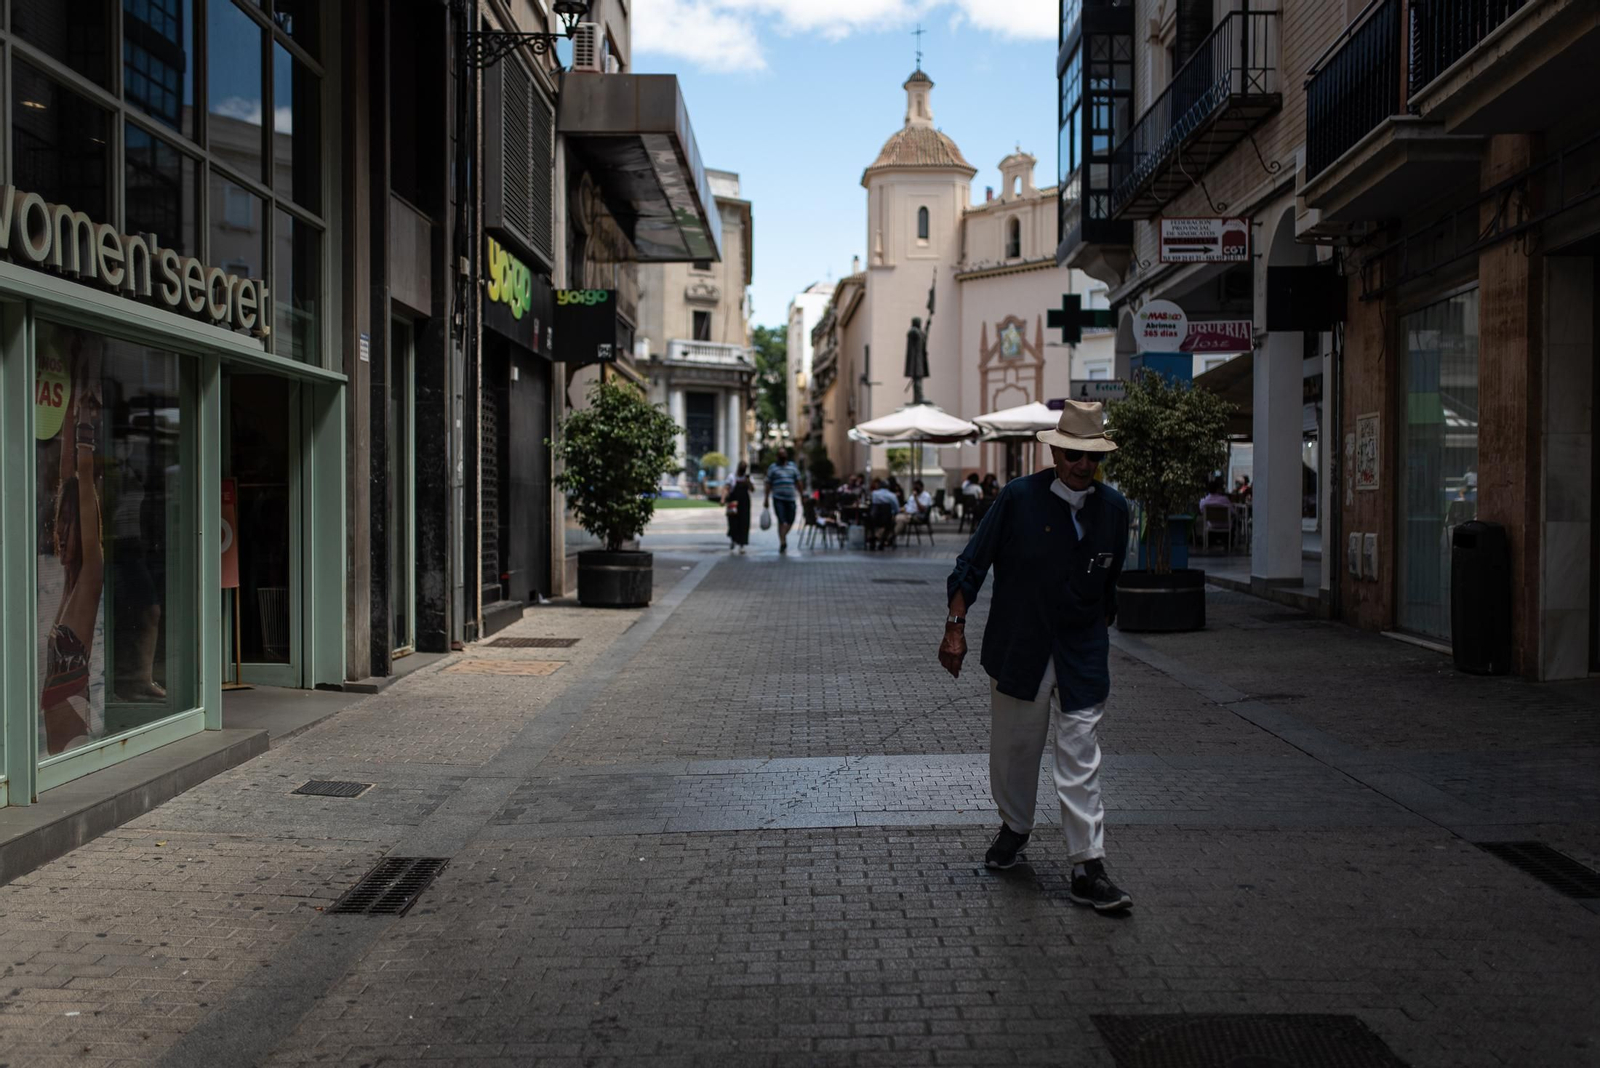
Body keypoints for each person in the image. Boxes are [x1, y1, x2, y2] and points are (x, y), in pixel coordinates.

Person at [939, 399, 1133, 913]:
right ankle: (1015, 827)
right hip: (1020, 644)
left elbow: (1110, 584)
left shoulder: (1115, 511)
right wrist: (955, 628)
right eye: (1073, 455)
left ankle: (1087, 866)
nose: (1082, 466)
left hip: (1081, 651)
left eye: (1091, 457)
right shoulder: (1018, 499)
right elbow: (972, 562)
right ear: (1055, 450)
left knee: (1080, 755)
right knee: (1015, 750)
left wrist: (1097, 623)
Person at [764, 448, 801, 553]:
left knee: (791, 520)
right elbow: (768, 483)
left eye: (784, 454)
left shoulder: (792, 467)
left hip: (791, 498)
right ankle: (783, 542)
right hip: (778, 498)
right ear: (777, 456)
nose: (782, 456)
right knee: (781, 521)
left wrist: (802, 495)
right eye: (780, 454)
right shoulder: (773, 468)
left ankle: (783, 536)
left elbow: (798, 481)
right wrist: (766, 498)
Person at [723, 462, 751, 554]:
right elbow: (726, 488)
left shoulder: (747, 478)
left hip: (744, 504)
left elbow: (752, 489)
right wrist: (723, 499)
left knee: (744, 523)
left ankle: (742, 544)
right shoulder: (732, 477)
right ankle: (733, 540)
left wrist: (748, 482)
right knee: (733, 522)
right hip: (733, 502)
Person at [866, 478, 899, 550]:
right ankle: (883, 540)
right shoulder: (892, 495)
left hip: (874, 518)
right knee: (890, 524)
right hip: (886, 519)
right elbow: (896, 509)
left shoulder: (874, 494)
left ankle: (872, 538)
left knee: (869, 522)